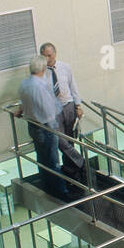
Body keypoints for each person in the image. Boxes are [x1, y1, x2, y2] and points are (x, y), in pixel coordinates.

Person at [16, 56, 68, 197]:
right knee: (53, 161)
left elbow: (23, 102)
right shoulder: (39, 87)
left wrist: (21, 110)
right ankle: (60, 192)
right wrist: (54, 126)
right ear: (43, 69)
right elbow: (48, 110)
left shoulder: (24, 84)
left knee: (42, 158)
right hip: (45, 127)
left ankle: (47, 187)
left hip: (32, 125)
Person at [40, 42, 85, 179]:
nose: (47, 59)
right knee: (59, 140)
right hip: (53, 111)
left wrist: (78, 105)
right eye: (44, 56)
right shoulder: (39, 71)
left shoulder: (65, 67)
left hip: (68, 106)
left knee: (70, 139)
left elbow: (73, 86)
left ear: (55, 53)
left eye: (49, 55)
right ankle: (80, 161)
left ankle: (72, 172)